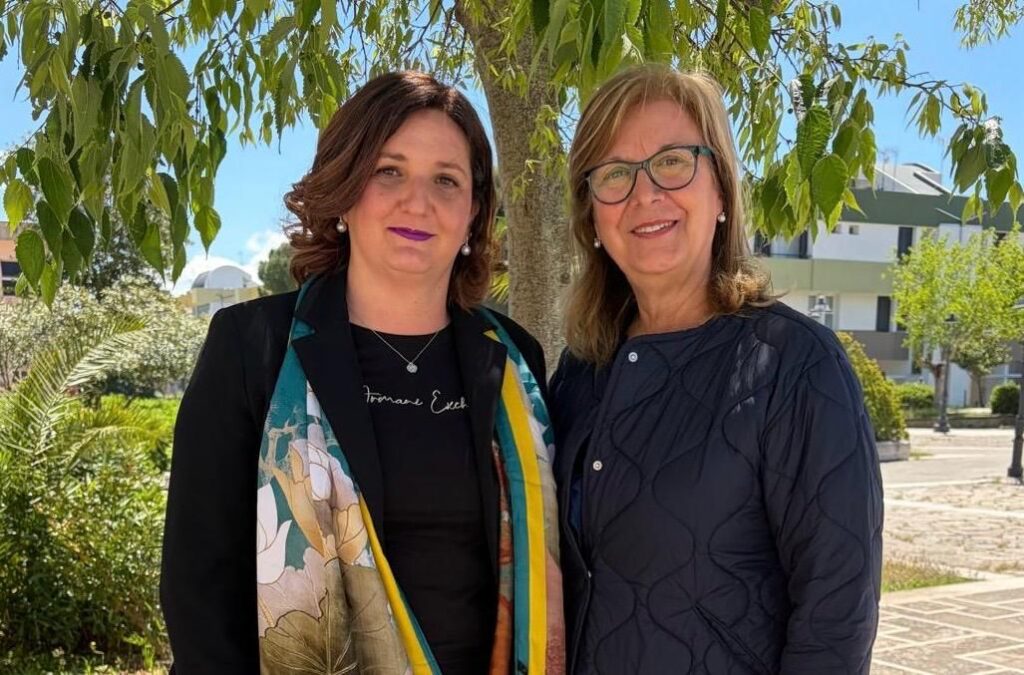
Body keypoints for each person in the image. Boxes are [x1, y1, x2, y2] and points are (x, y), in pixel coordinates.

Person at [160, 70, 564, 675]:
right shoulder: (252, 348)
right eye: (389, 171)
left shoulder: (513, 360)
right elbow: (200, 589)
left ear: (474, 210)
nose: (417, 202)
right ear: (346, 190)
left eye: (446, 180)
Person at [549, 64, 883, 674]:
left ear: (722, 191)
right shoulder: (579, 371)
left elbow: (835, 614)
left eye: (673, 161)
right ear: (591, 215)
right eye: (615, 173)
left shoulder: (795, 365)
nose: (645, 194)